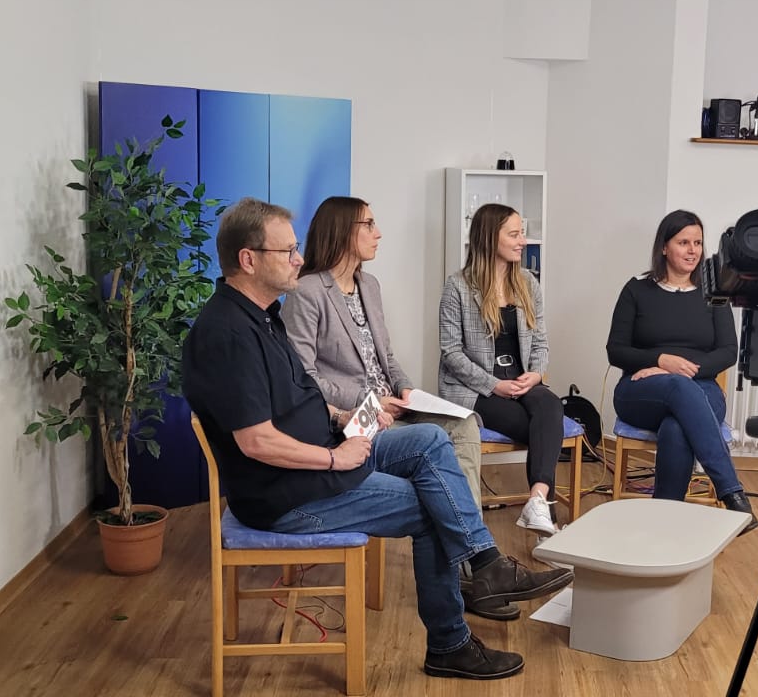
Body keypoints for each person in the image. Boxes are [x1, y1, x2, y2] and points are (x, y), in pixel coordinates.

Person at [182, 197, 572, 681]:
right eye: (287, 251)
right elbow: (257, 442)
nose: (299, 259)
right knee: (434, 507)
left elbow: (301, 395)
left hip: (325, 450)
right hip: (291, 490)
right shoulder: (229, 335)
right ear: (249, 259)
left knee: (430, 439)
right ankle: (451, 640)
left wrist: (346, 415)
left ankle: (486, 564)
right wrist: (335, 457)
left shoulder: (262, 316)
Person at [280, 196, 484, 506]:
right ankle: (468, 544)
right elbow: (303, 378)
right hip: (353, 419)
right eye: (369, 224)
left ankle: (472, 543)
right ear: (343, 231)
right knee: (434, 443)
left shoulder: (370, 285)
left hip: (393, 406)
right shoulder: (307, 292)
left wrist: (406, 389)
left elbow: (385, 357)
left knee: (465, 424)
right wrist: (370, 402)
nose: (379, 233)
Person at [606, 209, 758, 531]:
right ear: (664, 247)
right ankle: (732, 493)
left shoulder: (714, 294)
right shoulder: (637, 289)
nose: (693, 250)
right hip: (641, 390)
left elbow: (728, 352)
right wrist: (660, 361)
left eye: (698, 243)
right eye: (683, 242)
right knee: (678, 389)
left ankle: (664, 522)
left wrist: (684, 370)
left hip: (701, 388)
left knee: (677, 426)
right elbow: (616, 350)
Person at [438, 203, 563, 537]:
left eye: (522, 232)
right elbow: (451, 353)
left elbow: (541, 341)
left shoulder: (527, 282)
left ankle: (537, 501)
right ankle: (542, 515)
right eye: (514, 233)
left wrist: (536, 374)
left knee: (551, 406)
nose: (523, 240)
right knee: (539, 426)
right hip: (476, 388)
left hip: (521, 381)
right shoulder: (458, 287)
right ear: (490, 237)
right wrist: (495, 385)